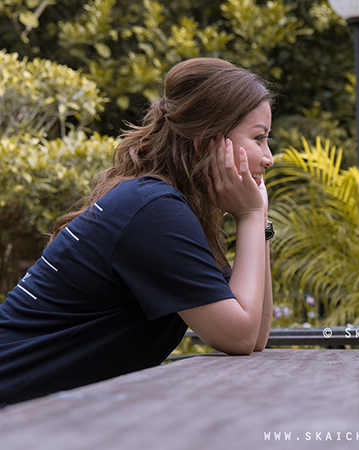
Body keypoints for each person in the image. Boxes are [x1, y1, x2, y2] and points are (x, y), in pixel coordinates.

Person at [0, 58, 275, 407]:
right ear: (207, 143)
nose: (268, 157)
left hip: (41, 413)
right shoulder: (154, 211)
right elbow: (239, 335)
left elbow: (256, 334)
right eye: (259, 138)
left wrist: (259, 219)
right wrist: (250, 214)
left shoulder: (164, 206)